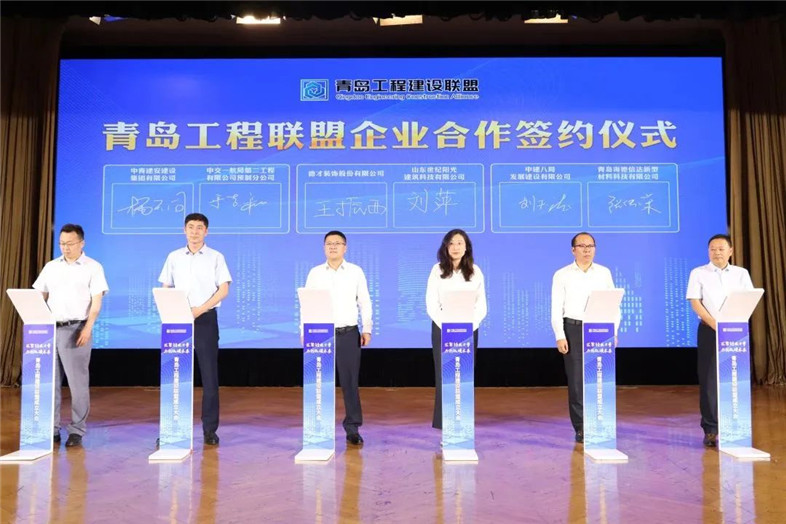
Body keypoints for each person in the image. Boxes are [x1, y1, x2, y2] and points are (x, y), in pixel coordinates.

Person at [33, 224, 109, 448]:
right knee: (50, 383)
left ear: (81, 243)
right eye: (62, 244)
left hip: (76, 329)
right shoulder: (51, 267)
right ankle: (52, 429)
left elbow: (96, 302)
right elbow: (40, 295)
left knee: (77, 384)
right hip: (49, 330)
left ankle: (76, 430)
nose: (65, 248)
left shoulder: (93, 267)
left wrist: (88, 328)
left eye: (70, 244)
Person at [159, 213, 231, 446]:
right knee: (175, 376)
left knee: (209, 377)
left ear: (206, 231)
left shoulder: (216, 257)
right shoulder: (173, 256)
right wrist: (171, 310)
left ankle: (209, 429)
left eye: (200, 227)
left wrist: (199, 309)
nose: (195, 231)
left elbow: (223, 290)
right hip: (177, 319)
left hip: (205, 319)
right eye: (191, 227)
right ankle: (172, 428)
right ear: (184, 230)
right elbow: (166, 286)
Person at [304, 230, 372, 445]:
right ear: (324, 247)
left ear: (345, 247)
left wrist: (367, 328)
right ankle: (319, 427)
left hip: (348, 333)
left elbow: (364, 301)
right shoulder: (315, 273)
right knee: (319, 383)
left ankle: (352, 428)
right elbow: (307, 303)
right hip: (320, 334)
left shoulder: (355, 271)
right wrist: (304, 331)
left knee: (350, 383)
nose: (332, 246)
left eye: (337, 243)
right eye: (329, 243)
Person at [686, 233, 754, 448]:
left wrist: (734, 323)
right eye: (713, 249)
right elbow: (695, 302)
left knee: (735, 377)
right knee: (708, 380)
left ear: (730, 251)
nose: (717, 253)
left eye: (721, 249)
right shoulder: (698, 273)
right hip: (709, 329)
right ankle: (711, 429)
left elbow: (749, 299)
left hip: (735, 331)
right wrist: (715, 323)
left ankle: (736, 426)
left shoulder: (741, 274)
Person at [550, 232, 618, 444]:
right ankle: (581, 426)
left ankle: (601, 422)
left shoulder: (604, 273)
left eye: (591, 246)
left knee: (600, 378)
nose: (587, 250)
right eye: (582, 246)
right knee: (577, 380)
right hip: (573, 328)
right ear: (573, 250)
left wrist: (614, 331)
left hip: (600, 328)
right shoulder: (562, 275)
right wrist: (560, 335)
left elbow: (614, 304)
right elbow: (556, 308)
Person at [425, 229, 487, 431]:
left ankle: (462, 424)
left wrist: (468, 326)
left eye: (460, 243)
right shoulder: (437, 270)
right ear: (445, 247)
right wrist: (448, 327)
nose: (455, 247)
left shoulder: (475, 271)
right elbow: (431, 303)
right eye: (451, 243)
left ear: (466, 247)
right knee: (444, 377)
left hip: (468, 330)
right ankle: (444, 425)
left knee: (463, 377)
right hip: (443, 330)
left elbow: (481, 305)